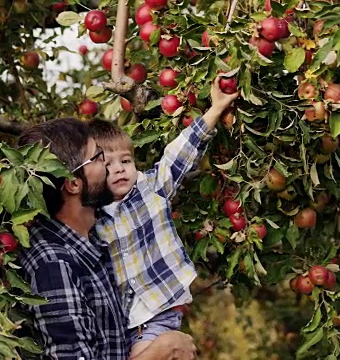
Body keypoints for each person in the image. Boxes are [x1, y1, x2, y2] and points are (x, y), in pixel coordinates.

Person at [17, 118, 197, 360]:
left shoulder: (94, 240)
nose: (111, 166)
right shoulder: (53, 264)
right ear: (72, 183)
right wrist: (164, 349)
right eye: (99, 156)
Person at [89, 77, 240, 357]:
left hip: (157, 316)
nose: (120, 169)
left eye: (125, 160)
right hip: (123, 326)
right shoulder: (91, 217)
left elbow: (179, 155)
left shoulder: (150, 189)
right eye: (107, 165)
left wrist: (215, 110)